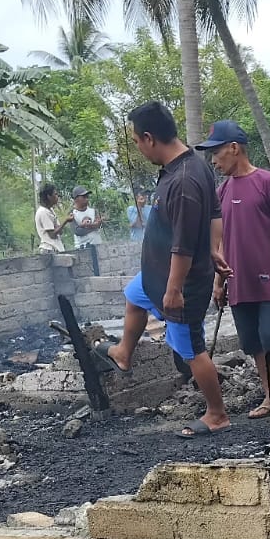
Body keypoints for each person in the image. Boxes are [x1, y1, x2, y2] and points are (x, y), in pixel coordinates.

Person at [94, 101, 232, 437]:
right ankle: (123, 353)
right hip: (156, 274)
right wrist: (214, 249)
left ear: (149, 137)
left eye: (137, 142)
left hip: (181, 282)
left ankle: (217, 413)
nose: (138, 149)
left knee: (191, 350)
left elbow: (182, 246)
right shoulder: (188, 166)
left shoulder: (183, 180)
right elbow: (215, 214)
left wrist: (173, 290)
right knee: (133, 295)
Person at [196, 121, 270, 419]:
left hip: (269, 278)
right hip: (238, 281)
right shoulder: (221, 192)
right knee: (252, 342)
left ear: (234, 148)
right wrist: (218, 283)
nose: (214, 160)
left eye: (217, 153)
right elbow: (219, 242)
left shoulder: (268, 183)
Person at [35, 185, 64, 253]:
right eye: (55, 194)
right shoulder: (43, 212)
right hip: (50, 249)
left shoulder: (50, 210)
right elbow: (52, 235)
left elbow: (60, 231)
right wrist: (65, 221)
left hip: (56, 248)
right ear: (49, 196)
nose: (57, 197)